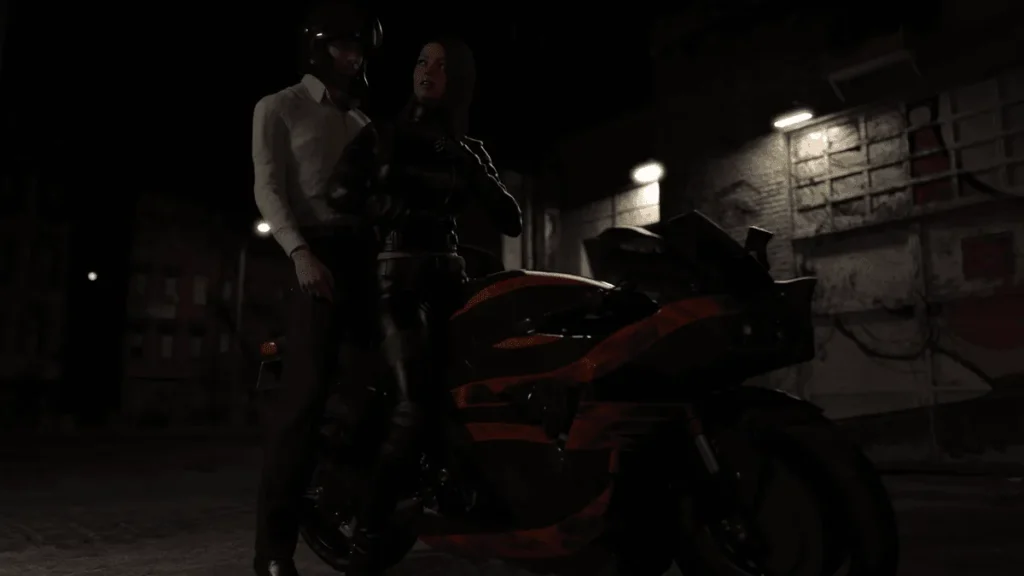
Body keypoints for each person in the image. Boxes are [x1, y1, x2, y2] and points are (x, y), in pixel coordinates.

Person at [346, 37, 522, 574]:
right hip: (396, 279)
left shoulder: (468, 147)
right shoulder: (380, 134)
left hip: (451, 278)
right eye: (422, 61)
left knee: (483, 391)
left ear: (458, 81)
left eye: (441, 66)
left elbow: (511, 219)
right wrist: (392, 208)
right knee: (413, 406)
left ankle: (478, 498)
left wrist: (470, 164)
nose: (428, 71)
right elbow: (339, 198)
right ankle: (367, 531)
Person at [250, 2, 382, 575]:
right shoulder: (279, 106)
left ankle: (357, 518)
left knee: (371, 392)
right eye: (344, 46)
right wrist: (299, 252)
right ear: (319, 47)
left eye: (360, 49)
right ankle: (273, 553)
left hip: (363, 256)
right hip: (313, 253)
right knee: (301, 403)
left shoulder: (362, 123)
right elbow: (268, 187)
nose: (354, 58)